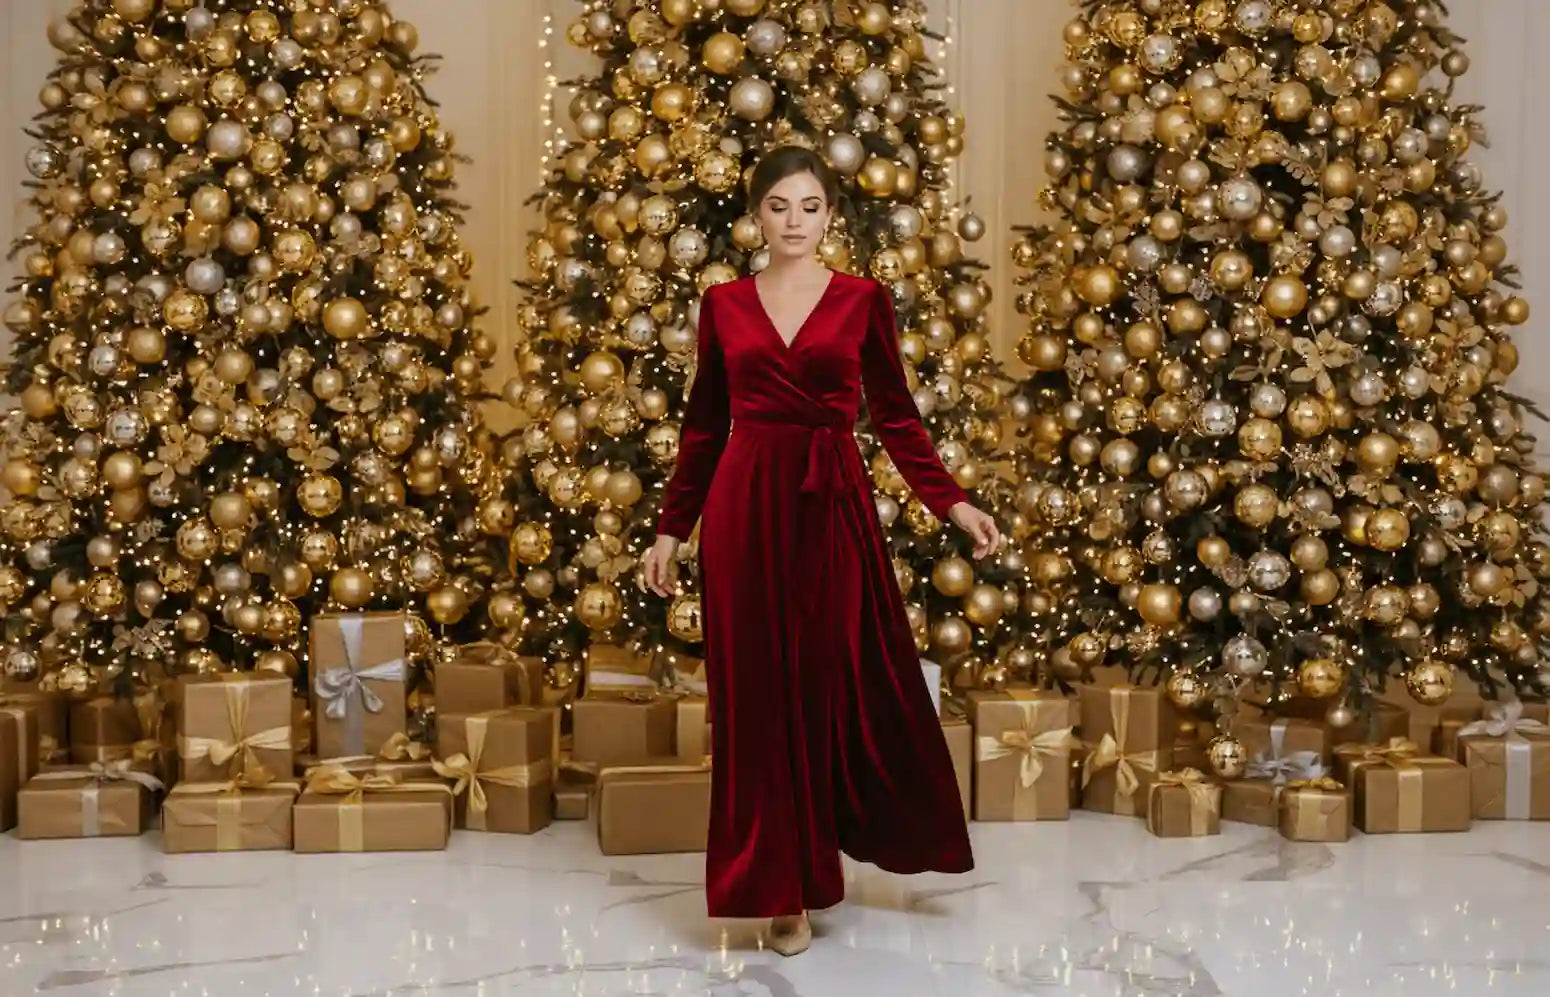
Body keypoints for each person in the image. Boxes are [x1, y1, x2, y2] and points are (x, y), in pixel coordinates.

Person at [642, 145, 1001, 957]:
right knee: (757, 699)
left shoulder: (862, 299)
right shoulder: (723, 303)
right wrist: (672, 528)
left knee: (825, 686)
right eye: (778, 207)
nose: (794, 222)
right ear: (755, 216)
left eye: (809, 206)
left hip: (832, 503)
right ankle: (781, 891)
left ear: (831, 214)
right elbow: (704, 428)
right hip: (744, 506)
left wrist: (952, 500)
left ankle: (831, 852)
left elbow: (898, 417)